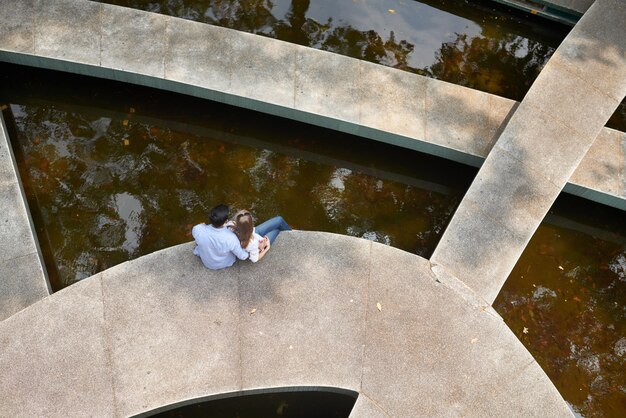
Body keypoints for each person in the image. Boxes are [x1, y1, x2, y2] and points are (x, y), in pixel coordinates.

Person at [192, 204, 249, 269]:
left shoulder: (197, 229)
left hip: (207, 263)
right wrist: (251, 253)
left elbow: (201, 226)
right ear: (226, 221)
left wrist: (203, 225)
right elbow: (242, 256)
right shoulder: (231, 238)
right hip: (223, 263)